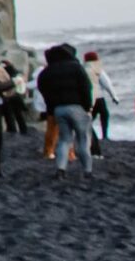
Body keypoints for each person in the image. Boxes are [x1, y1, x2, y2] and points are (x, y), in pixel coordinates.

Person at [37, 43, 96, 175]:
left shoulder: (46, 72)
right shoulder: (76, 68)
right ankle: (87, 170)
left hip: (59, 109)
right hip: (77, 107)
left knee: (64, 139)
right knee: (82, 140)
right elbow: (86, 88)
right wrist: (88, 106)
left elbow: (43, 90)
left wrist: (51, 109)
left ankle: (61, 169)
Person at [85, 51, 118, 157]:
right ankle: (105, 135)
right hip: (99, 97)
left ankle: (89, 134)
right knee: (104, 115)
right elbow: (106, 83)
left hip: (89, 99)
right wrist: (114, 96)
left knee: (90, 119)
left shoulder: (83, 69)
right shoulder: (98, 70)